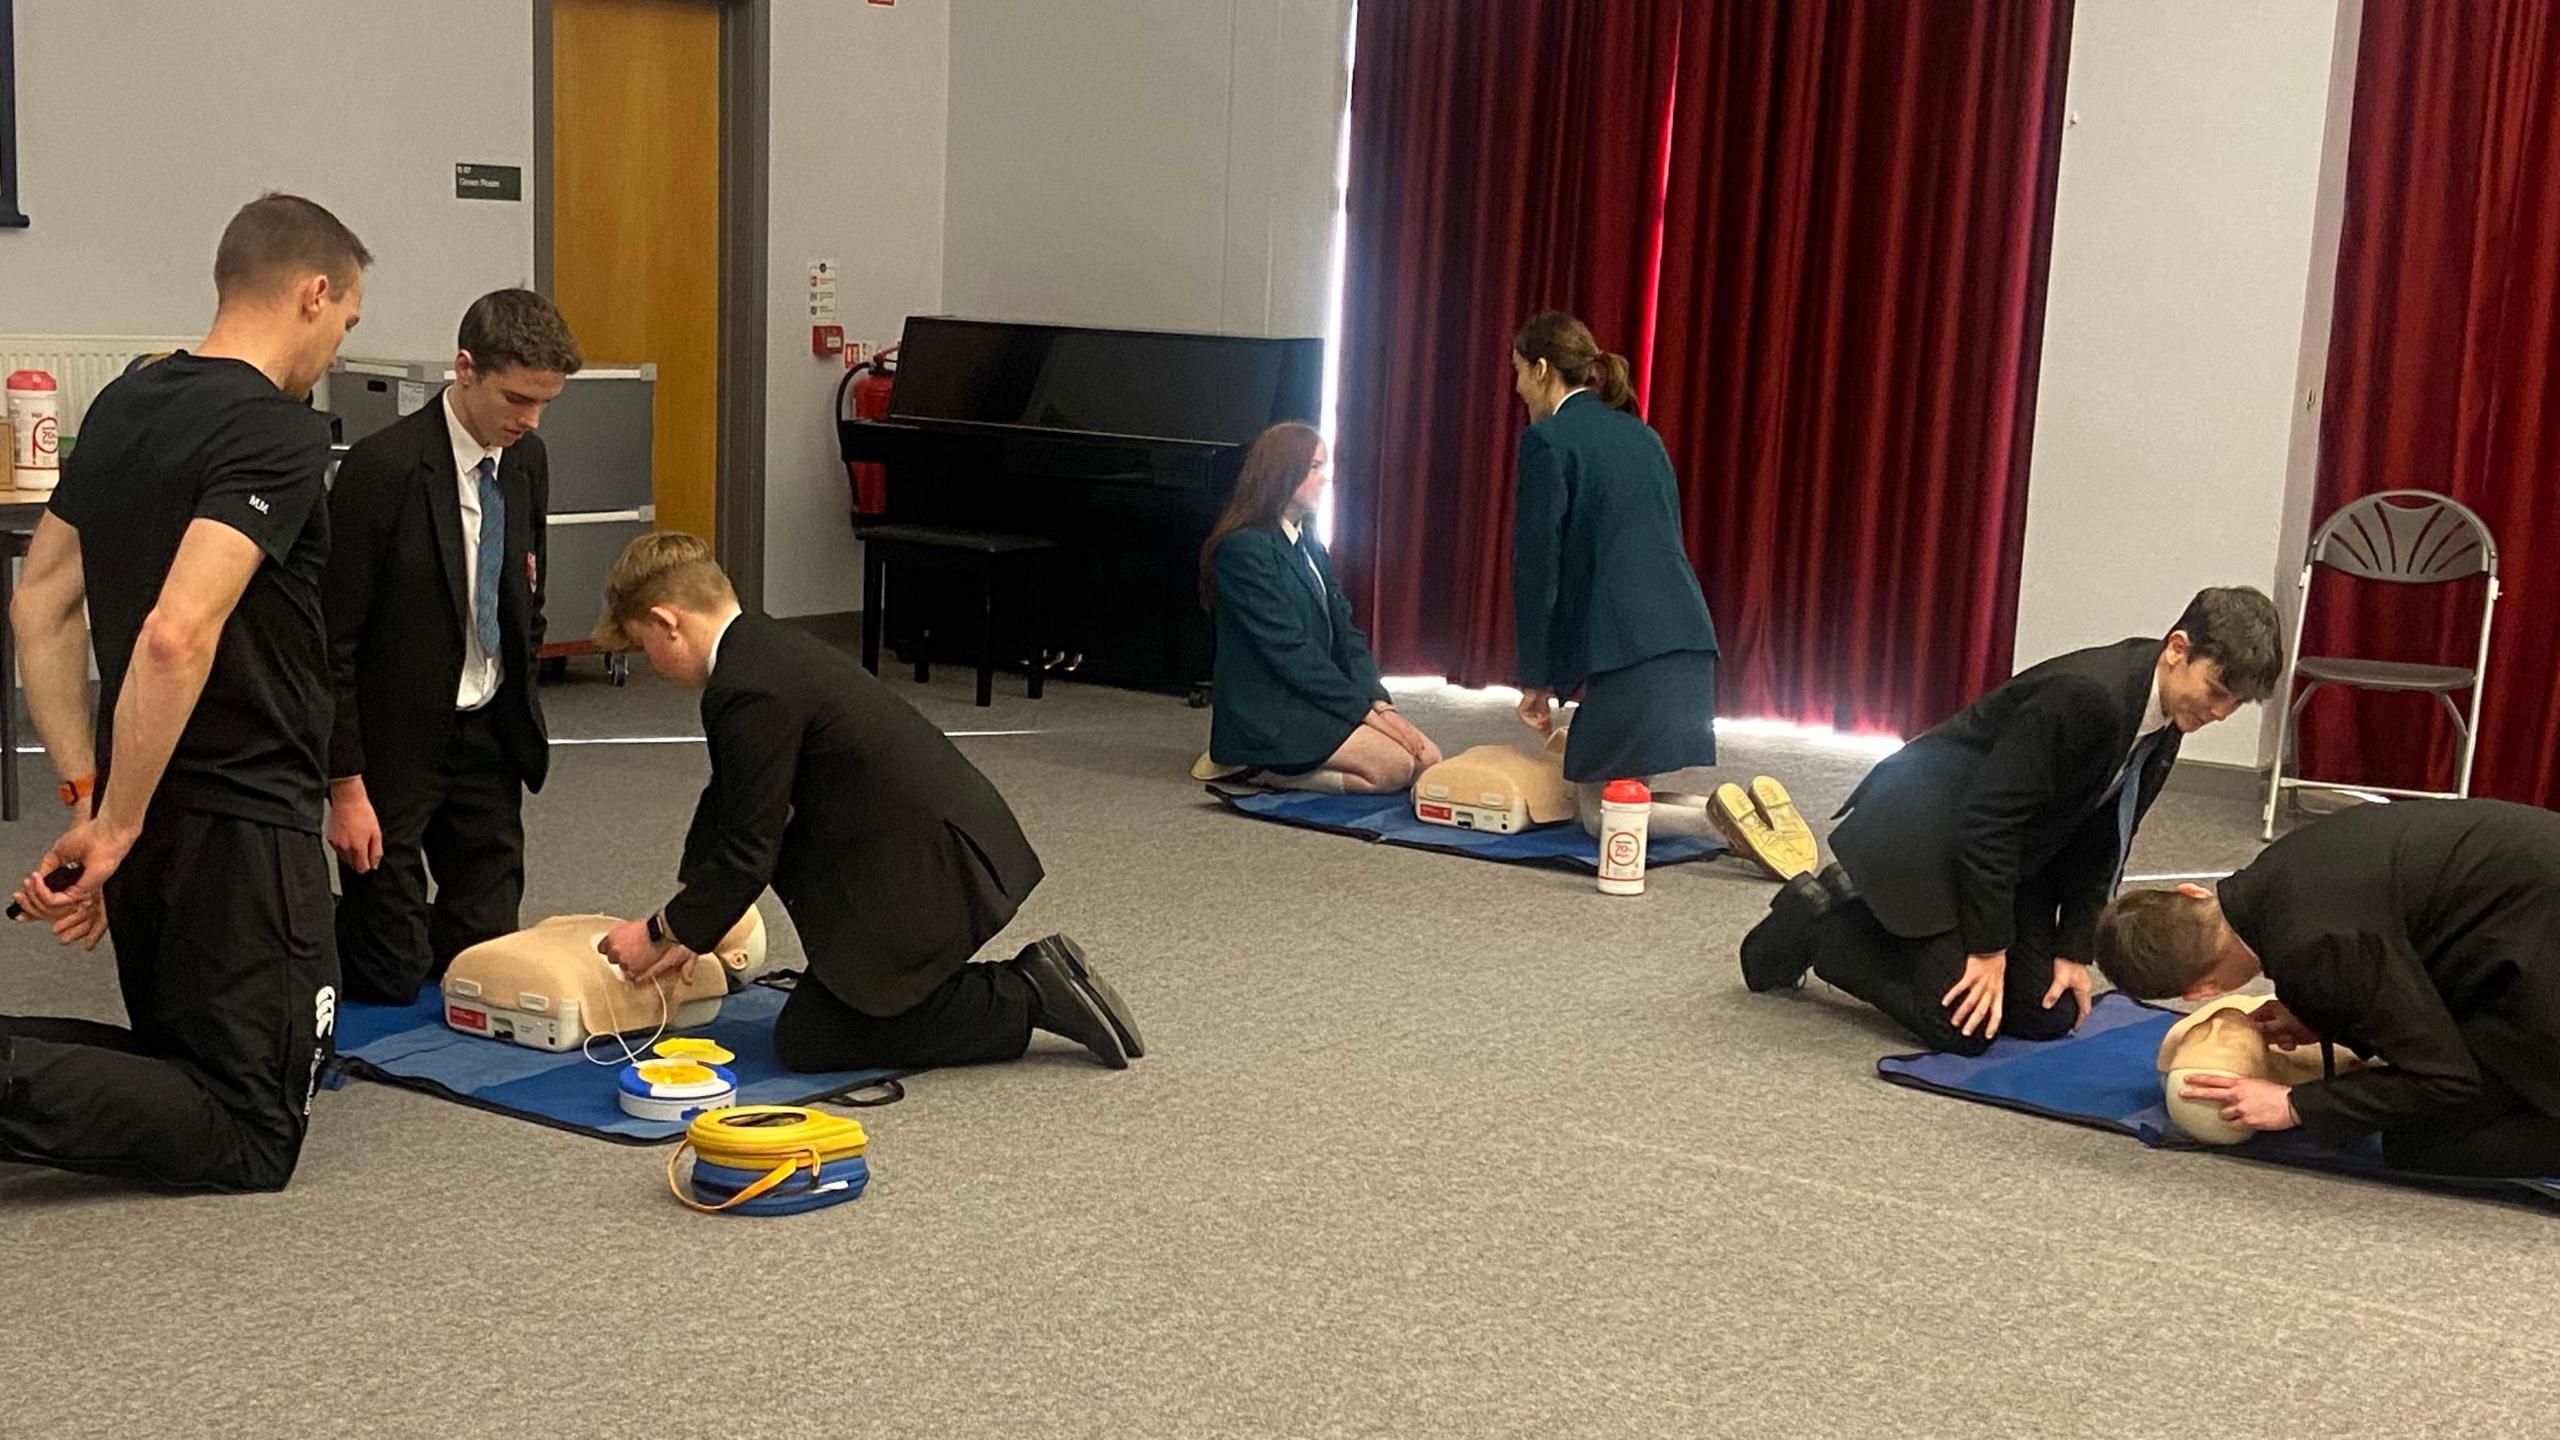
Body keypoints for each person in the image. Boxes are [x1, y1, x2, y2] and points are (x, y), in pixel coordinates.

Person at [2, 194, 369, 1190]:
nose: (337, 344)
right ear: (314, 292)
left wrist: (94, 799)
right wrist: (109, 832)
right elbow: (175, 633)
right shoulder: (276, 433)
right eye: (346, 322)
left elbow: (37, 606)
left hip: (149, 806)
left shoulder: (128, 402)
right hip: (240, 823)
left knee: (193, 1067)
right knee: (251, 1128)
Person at [588, 532, 1145, 1072]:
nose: (651, 664)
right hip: (944, 850)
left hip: (932, 875)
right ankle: (1027, 984)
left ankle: (1028, 991)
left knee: (813, 1038)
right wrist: (691, 923)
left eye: (642, 646)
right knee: (831, 1014)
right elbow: (732, 798)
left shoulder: (746, 687)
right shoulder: (761, 647)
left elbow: (748, 850)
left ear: (668, 622)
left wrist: (658, 931)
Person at [1738, 587, 2282, 1055]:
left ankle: (1886, 923)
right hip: (1922, 837)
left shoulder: (2165, 717)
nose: (2220, 714)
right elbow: (1987, 821)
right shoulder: (2089, 697)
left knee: (2051, 1014)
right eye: (2217, 692)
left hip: (2010, 852)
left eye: (2235, 704)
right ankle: (1824, 926)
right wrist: (1988, 948)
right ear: (2177, 650)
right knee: (1964, 1026)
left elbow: (2103, 836)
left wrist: (2074, 948)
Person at [323, 289, 581, 1004]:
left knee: (486, 967)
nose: (527, 421)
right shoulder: (384, 471)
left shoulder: (526, 462)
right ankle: (314, 922)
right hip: (396, 742)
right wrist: (345, 788)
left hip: (487, 729)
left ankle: (411, 917)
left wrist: (517, 696)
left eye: (543, 405)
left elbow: (527, 596)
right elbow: (332, 642)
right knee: (393, 976)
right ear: (464, 369)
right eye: (516, 399)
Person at [2096, 798, 2560, 1177]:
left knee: (2429, 1143)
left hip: (2535, 947)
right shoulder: (2275, 870)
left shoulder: (2316, 947)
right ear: (2192, 893)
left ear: (2204, 990)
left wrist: (2294, 1105)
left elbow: (2444, 1077)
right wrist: (2320, 1014)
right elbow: (2384, 937)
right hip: (2524, 903)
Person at [1507, 311, 1723, 837]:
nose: (1515, 387)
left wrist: (1536, 678)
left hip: (1629, 653)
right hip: (1685, 636)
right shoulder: (1642, 435)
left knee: (1599, 814)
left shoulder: (1549, 441)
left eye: (1516, 371)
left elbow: (1539, 570)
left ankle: (1722, 825)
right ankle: (1732, 811)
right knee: (1624, 788)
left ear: (1540, 369)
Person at [1194, 422, 1442, 792]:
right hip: (1270, 712)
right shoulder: (1243, 550)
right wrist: (1364, 714)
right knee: (1392, 769)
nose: (1326, 478)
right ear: (1281, 472)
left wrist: (1378, 703)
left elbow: (1346, 631)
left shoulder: (1308, 540)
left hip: (1311, 698)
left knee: (1427, 761)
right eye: (1315, 467)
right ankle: (1251, 765)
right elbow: (1291, 652)